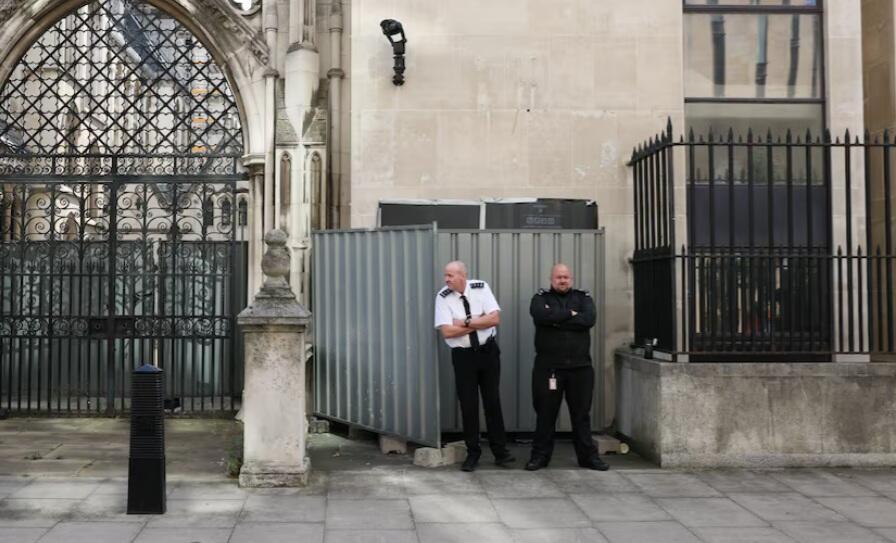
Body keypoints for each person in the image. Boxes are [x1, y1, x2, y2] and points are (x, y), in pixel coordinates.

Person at [525, 263, 608, 471]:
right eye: (558, 277)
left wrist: (556, 319)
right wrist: (571, 314)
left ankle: (588, 458)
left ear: (571, 279)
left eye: (566, 277)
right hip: (549, 368)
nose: (562, 280)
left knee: (581, 415)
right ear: (551, 279)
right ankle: (540, 457)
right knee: (545, 414)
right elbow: (541, 316)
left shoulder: (584, 298)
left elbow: (589, 319)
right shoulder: (540, 298)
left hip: (581, 368)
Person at [434, 261, 514, 471]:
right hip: (463, 357)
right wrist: (479, 321)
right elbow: (447, 332)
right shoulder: (442, 297)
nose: (446, 279)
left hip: (488, 352)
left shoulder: (481, 287)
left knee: (492, 402)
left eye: (450, 275)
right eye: (445, 275)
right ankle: (473, 453)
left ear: (462, 276)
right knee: (468, 405)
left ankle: (501, 453)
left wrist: (463, 322)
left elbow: (495, 319)